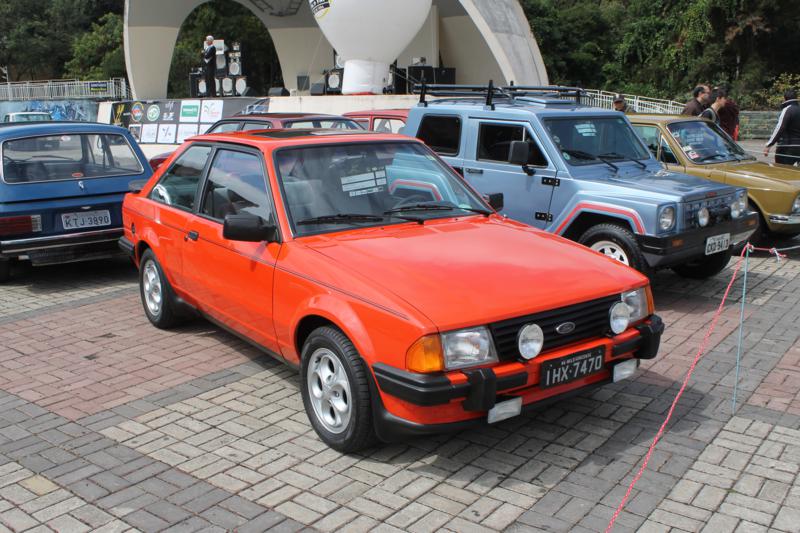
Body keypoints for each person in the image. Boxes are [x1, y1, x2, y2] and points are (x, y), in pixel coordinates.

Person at [764, 89, 800, 166]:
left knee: (782, 171)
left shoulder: (787, 110)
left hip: (787, 147)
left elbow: (780, 128)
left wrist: (769, 145)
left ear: (785, 98)